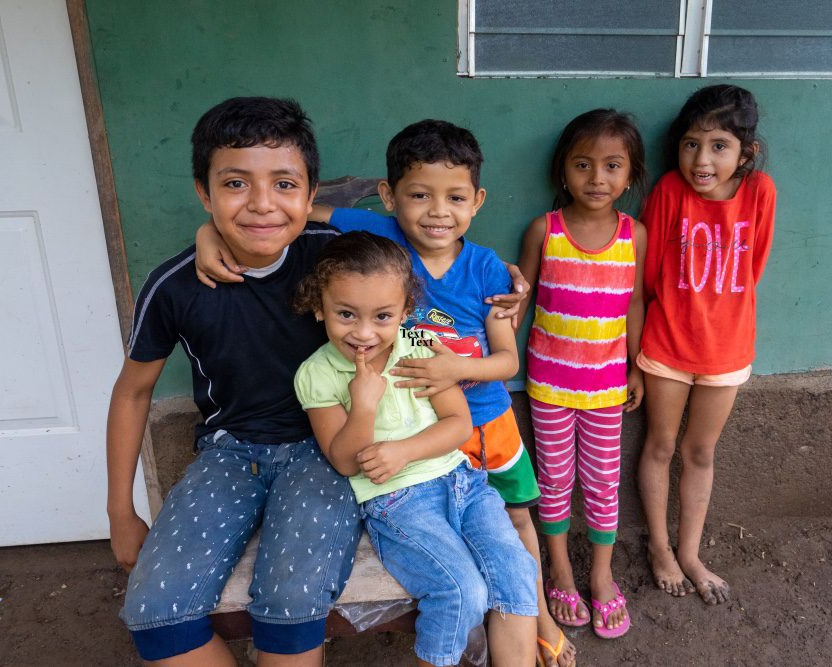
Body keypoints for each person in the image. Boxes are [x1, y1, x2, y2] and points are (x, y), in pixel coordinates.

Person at [196, 119, 573, 666]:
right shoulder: (381, 242)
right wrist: (210, 233)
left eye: (454, 197)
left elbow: (505, 360)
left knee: (514, 524)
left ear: (477, 201)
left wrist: (453, 369)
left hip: (481, 419)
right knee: (462, 574)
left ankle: (539, 618)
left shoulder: (485, 268)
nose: (437, 211)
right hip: (413, 459)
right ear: (390, 197)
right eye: (419, 195)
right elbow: (291, 212)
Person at [106, 96, 362, 666]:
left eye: (284, 184)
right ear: (204, 192)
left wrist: (503, 289)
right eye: (236, 184)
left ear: (311, 192)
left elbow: (425, 244)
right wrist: (119, 511)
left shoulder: (340, 260)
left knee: (292, 601)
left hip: (327, 449)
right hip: (229, 453)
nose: (262, 204)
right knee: (155, 611)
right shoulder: (174, 286)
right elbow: (132, 392)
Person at [293, 231, 538, 667]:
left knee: (517, 572)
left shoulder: (421, 348)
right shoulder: (318, 374)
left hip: (464, 483)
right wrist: (363, 406)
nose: (364, 333)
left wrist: (404, 449)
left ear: (406, 311)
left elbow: (459, 423)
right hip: (398, 503)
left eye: (383, 316)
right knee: (461, 589)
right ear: (319, 307)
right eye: (346, 314)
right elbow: (346, 461)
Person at [637, 84, 776, 606]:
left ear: (747, 152)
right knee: (660, 445)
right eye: (691, 144)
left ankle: (690, 553)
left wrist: (721, 318)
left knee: (700, 452)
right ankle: (658, 547)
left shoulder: (761, 193)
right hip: (668, 342)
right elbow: (648, 275)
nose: (702, 159)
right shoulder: (670, 191)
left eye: (719, 145)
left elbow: (753, 267)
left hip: (728, 349)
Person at [517, 109, 648, 640]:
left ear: (631, 175)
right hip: (548, 384)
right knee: (553, 481)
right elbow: (518, 303)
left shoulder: (631, 235)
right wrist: (494, 364)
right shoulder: (543, 231)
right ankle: (561, 570)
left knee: (601, 483)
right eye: (583, 165)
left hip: (606, 387)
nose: (597, 178)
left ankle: (600, 573)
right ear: (562, 172)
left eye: (612, 166)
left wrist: (636, 365)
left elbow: (634, 302)